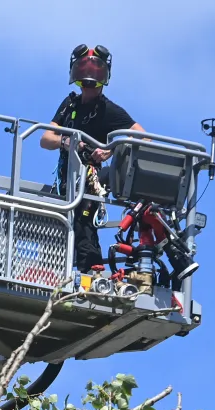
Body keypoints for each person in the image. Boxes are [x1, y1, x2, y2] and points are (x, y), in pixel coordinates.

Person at [40, 44, 147, 273]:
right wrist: (66, 142)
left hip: (92, 175)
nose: (89, 84)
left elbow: (143, 137)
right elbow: (45, 138)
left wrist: (111, 149)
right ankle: (59, 268)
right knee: (55, 221)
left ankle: (92, 269)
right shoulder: (70, 104)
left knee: (83, 215)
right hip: (66, 178)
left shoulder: (109, 110)